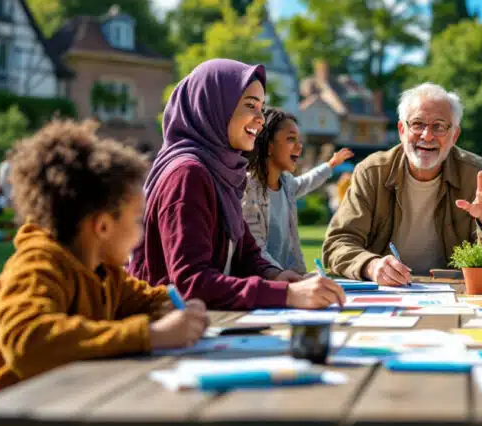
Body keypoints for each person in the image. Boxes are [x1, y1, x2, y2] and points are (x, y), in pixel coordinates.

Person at [0, 120, 211, 426]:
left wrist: (172, 308)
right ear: (102, 226)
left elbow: (146, 299)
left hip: (59, 415)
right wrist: (150, 335)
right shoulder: (36, 264)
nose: (142, 233)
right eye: (137, 221)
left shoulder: (104, 270)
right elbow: (30, 340)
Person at [128, 59, 345, 310]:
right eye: (250, 105)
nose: (260, 119)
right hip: (170, 330)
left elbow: (245, 253)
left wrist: (275, 275)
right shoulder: (187, 175)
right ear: (213, 107)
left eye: (261, 107)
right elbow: (190, 283)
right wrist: (286, 294)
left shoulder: (223, 173)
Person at [323, 82, 482, 284]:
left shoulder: (474, 173)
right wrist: (371, 266)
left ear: (454, 136)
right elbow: (337, 244)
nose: (427, 135)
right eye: (417, 124)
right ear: (401, 130)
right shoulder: (372, 172)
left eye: (439, 126)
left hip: (452, 294)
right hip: (386, 294)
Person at [243, 107, 354, 274]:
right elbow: (255, 250)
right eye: (290, 139)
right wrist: (281, 277)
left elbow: (307, 181)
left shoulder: (286, 183)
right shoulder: (248, 188)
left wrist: (330, 165)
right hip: (264, 284)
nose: (299, 146)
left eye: (299, 140)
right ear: (269, 146)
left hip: (288, 281)